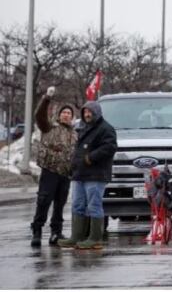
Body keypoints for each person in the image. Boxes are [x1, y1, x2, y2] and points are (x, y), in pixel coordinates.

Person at [58, 101, 117, 250]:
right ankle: (77, 236)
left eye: (90, 112)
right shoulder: (82, 128)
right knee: (77, 205)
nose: (87, 115)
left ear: (97, 112)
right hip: (79, 174)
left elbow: (110, 147)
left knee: (94, 206)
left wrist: (91, 157)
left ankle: (95, 239)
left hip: (96, 175)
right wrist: (74, 165)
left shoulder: (106, 128)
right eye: (85, 112)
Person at [30, 87, 77, 247]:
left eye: (69, 113)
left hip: (65, 174)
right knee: (43, 202)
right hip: (50, 170)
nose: (66, 115)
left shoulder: (75, 134)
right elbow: (39, 115)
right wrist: (46, 99)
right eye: (64, 112)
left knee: (60, 204)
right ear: (59, 115)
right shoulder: (49, 127)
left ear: (72, 117)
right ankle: (37, 231)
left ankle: (56, 232)